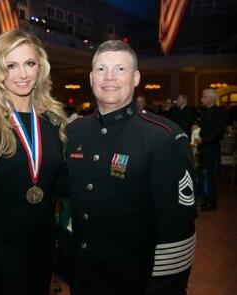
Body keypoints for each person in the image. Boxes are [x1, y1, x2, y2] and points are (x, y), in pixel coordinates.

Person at [67, 40, 196, 295]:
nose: (110, 77)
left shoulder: (164, 137)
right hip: (85, 275)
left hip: (136, 280)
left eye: (120, 69)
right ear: (91, 78)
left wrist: (163, 287)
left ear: (136, 78)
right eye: (102, 70)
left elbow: (178, 226)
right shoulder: (75, 132)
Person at [0, 29, 68, 295]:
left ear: (40, 68)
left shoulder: (53, 121)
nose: (22, 74)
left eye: (29, 64)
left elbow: (61, 183)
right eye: (11, 66)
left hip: (42, 244)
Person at [195, 89, 227, 211]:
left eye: (204, 97)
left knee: (210, 175)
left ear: (213, 99)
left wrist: (204, 140)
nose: (202, 99)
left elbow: (218, 133)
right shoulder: (204, 111)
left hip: (212, 149)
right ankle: (204, 199)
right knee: (202, 174)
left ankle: (212, 202)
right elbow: (204, 129)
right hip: (203, 148)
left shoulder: (219, 112)